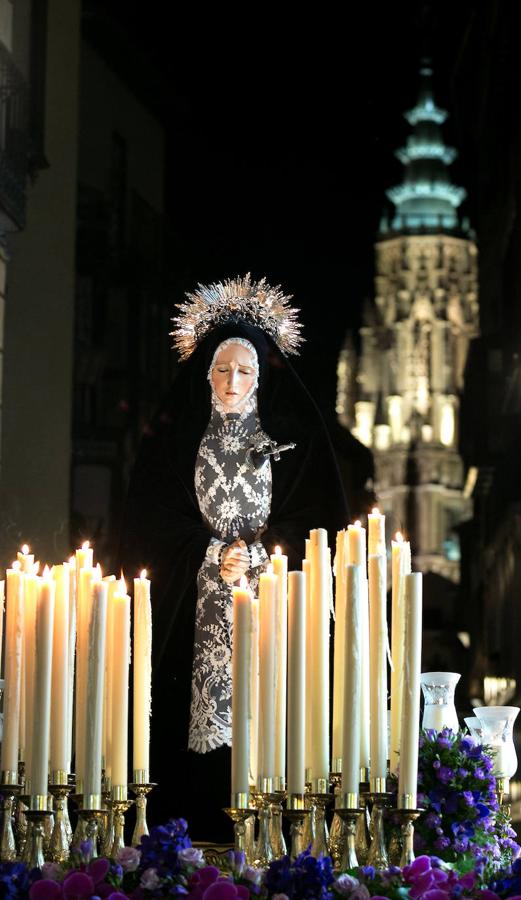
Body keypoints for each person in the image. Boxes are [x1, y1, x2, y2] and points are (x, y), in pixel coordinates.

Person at [119, 274, 348, 841]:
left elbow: (321, 520)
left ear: (261, 377)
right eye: (223, 369)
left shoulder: (293, 439)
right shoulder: (174, 440)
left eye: (244, 370)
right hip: (189, 615)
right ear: (205, 372)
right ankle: (189, 845)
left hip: (272, 608)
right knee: (184, 747)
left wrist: (265, 556)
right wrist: (211, 552)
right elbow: (148, 519)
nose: (232, 381)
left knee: (271, 718)